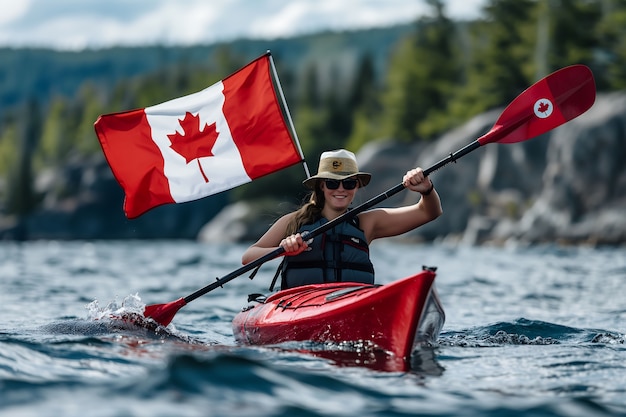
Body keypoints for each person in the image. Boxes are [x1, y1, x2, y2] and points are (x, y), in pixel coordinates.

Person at [241, 149, 442, 290]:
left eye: (348, 183)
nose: (340, 189)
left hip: (351, 299)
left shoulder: (367, 223)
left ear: (356, 186)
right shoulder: (293, 221)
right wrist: (283, 249)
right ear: (321, 186)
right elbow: (249, 256)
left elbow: (428, 212)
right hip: (302, 304)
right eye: (332, 183)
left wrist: (427, 189)